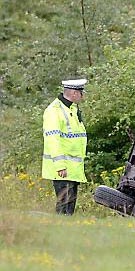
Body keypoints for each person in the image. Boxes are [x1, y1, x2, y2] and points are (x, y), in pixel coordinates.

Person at [42, 78, 88, 215]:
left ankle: (67, 232)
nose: (83, 95)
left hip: (73, 168)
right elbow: (52, 139)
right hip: (62, 169)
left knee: (69, 207)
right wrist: (60, 165)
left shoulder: (71, 109)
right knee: (63, 206)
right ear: (74, 93)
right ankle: (59, 231)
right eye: (81, 92)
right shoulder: (54, 111)